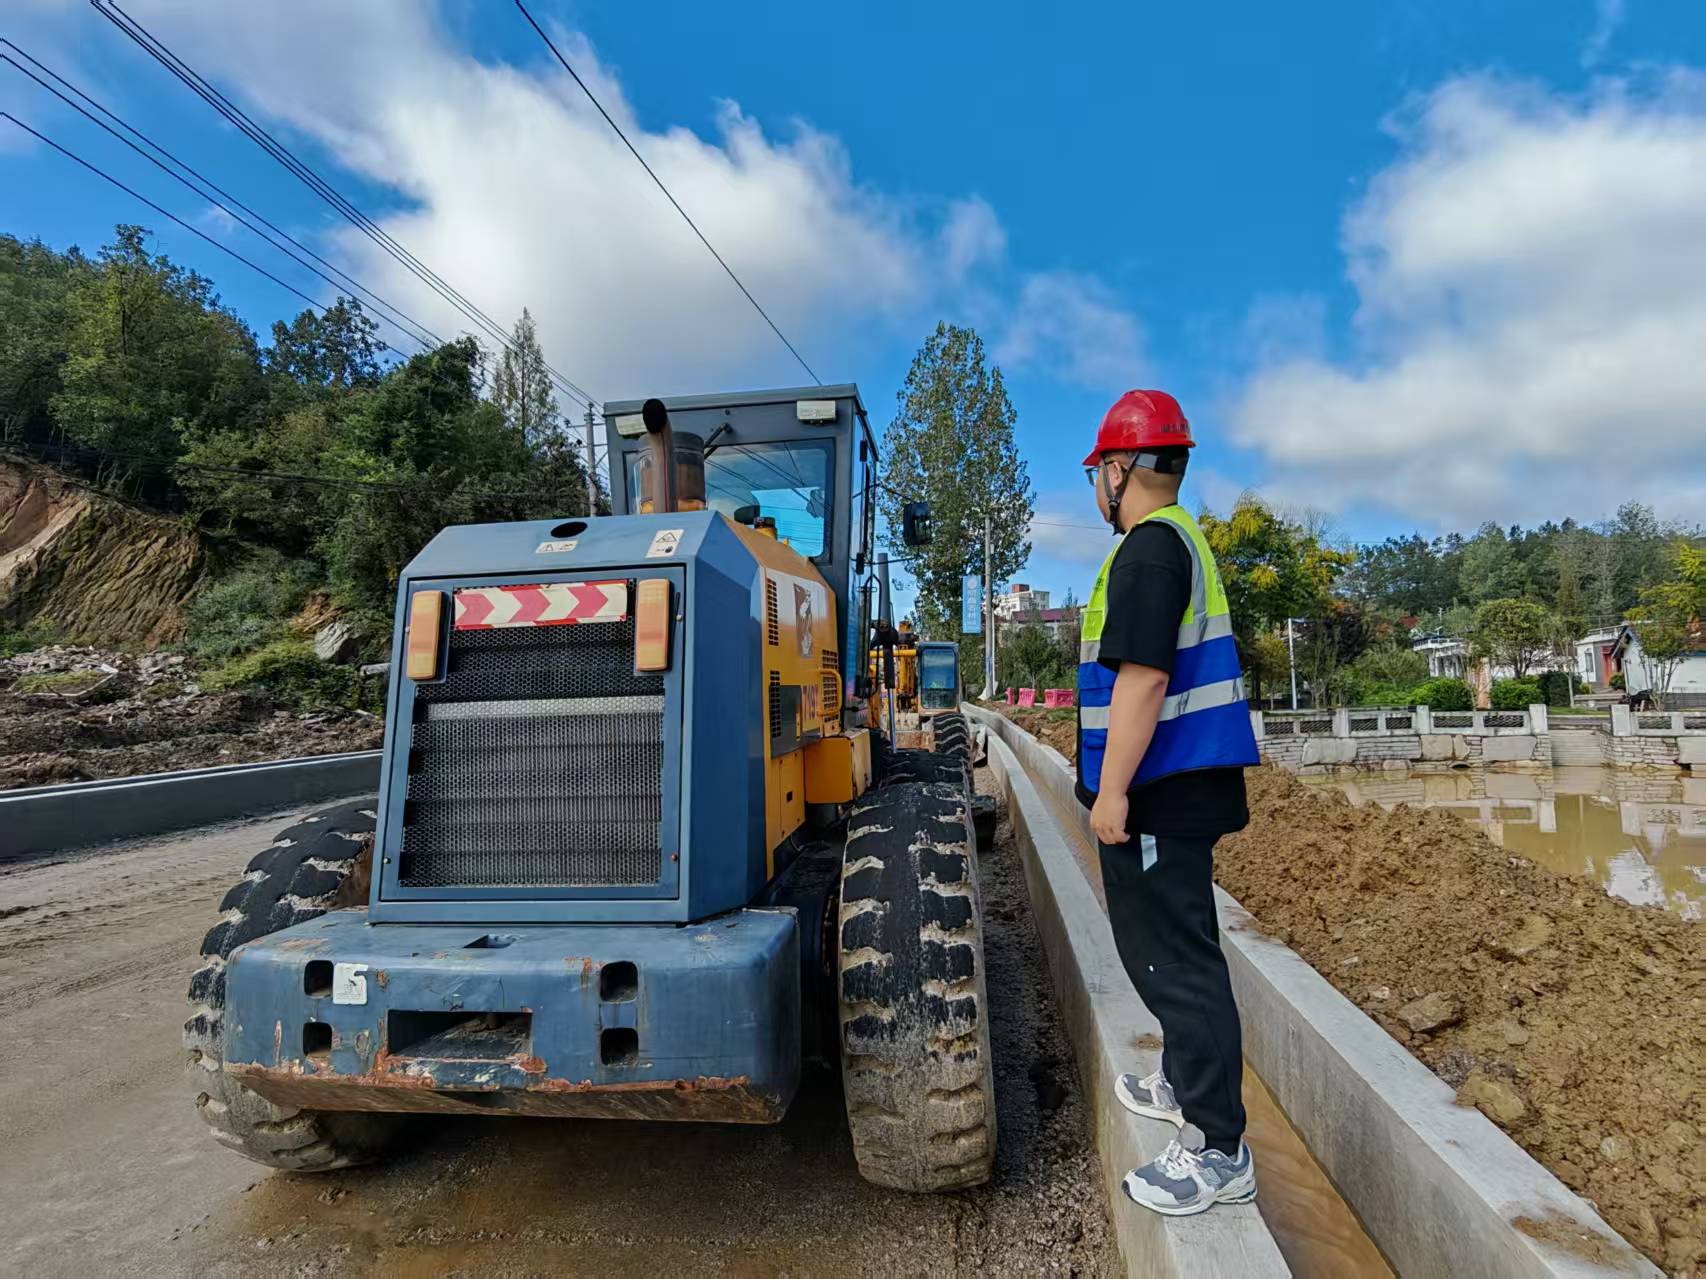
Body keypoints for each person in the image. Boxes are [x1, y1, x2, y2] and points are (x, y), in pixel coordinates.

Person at [1076, 389, 1262, 1216]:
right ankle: (1183, 1080)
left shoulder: (1149, 550)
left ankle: (1219, 1147)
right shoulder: (1176, 540)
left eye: (1098, 472)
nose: (1096, 487)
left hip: (1157, 791)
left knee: (1175, 962)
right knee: (1173, 949)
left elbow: (1145, 679)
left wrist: (1113, 790)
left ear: (1120, 469)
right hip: (1176, 785)